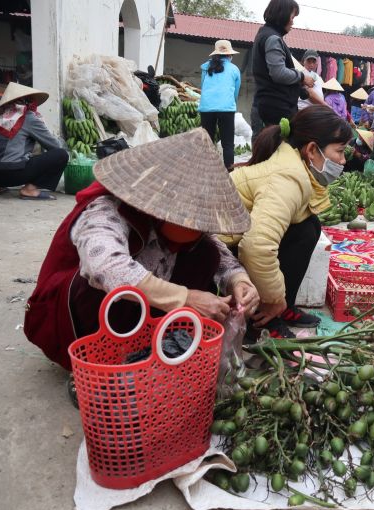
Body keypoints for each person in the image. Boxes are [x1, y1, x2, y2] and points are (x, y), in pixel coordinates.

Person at [24, 128, 259, 372]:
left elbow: (219, 254)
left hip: (138, 316)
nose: (201, 229)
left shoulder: (180, 231)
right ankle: (99, 363)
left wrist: (238, 280)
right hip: (68, 319)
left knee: (206, 253)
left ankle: (152, 350)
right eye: (194, 221)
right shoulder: (106, 211)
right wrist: (186, 299)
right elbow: (104, 267)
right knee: (102, 284)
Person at [225, 106, 353, 338]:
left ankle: (284, 309)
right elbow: (256, 247)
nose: (343, 160)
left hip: (232, 237)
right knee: (302, 233)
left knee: (308, 226)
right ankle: (262, 320)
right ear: (312, 150)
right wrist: (273, 299)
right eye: (340, 151)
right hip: (214, 249)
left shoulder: (293, 163)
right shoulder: (288, 177)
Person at [0, 82, 68, 199]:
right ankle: (29, 190)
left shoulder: (3, 117)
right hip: (8, 174)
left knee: (15, 156)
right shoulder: (28, 117)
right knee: (61, 155)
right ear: (28, 102)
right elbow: (55, 146)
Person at [250, 0, 314, 129]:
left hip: (269, 105)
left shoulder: (264, 34)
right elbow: (278, 73)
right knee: (283, 147)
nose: (293, 22)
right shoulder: (273, 38)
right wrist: (302, 77)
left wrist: (299, 88)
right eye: (292, 17)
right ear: (282, 15)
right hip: (277, 108)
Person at [199, 40, 241, 171]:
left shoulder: (206, 67)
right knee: (227, 144)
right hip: (226, 109)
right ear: (230, 55)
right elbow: (236, 92)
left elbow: (202, 86)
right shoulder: (234, 69)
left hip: (206, 108)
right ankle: (229, 173)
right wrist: (229, 103)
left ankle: (207, 171)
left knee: (207, 142)